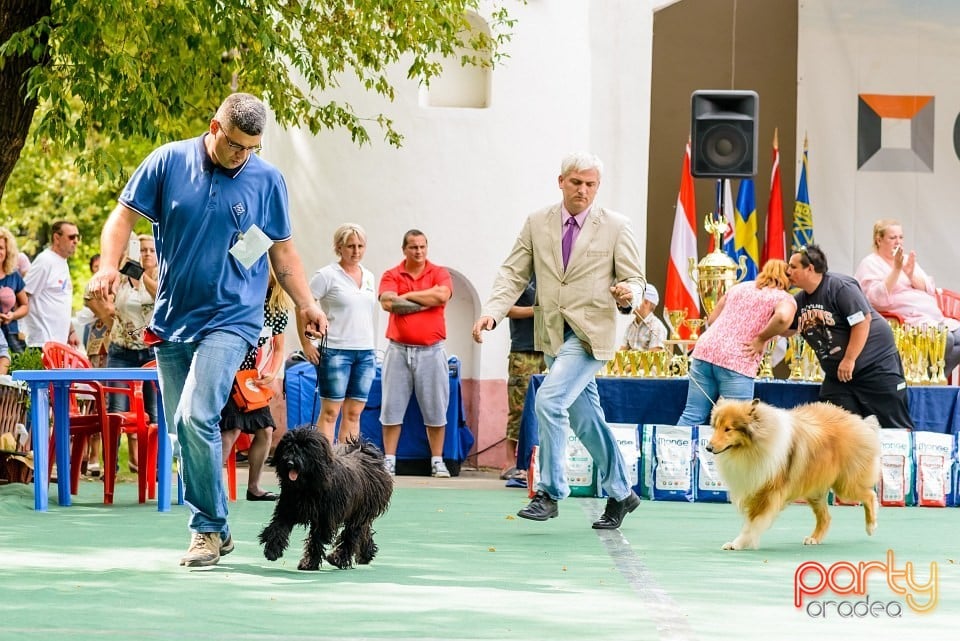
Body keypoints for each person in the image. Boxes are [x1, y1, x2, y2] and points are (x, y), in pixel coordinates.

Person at [87, 92, 327, 568]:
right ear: (215, 127)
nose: (242, 156)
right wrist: (110, 267)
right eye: (236, 145)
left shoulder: (267, 180)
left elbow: (282, 254)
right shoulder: (167, 161)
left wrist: (306, 304)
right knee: (182, 430)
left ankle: (205, 531)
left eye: (251, 149)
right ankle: (217, 522)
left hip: (233, 319)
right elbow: (121, 218)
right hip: (174, 319)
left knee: (196, 416)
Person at [472, 152, 646, 530]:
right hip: (551, 334)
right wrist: (493, 311)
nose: (583, 190)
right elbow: (512, 271)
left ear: (598, 186)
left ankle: (549, 492)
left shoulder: (617, 226)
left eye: (590, 184)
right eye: (576, 183)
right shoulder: (537, 222)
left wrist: (626, 294)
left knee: (549, 400)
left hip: (589, 337)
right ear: (561, 181)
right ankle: (621, 492)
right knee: (586, 421)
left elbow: (637, 280)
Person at [787, 244, 913, 429]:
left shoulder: (839, 286)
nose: (788, 271)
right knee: (835, 429)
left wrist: (849, 359)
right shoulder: (799, 300)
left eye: (793, 267)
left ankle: (899, 458)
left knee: (893, 427)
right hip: (839, 377)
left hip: (875, 367)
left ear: (810, 268)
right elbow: (785, 329)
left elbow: (862, 321)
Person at [675, 259, 796, 426]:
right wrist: (761, 339)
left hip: (704, 351)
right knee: (738, 422)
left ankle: (675, 451)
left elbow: (712, 319)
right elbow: (782, 318)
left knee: (692, 414)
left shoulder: (739, 287)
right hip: (737, 359)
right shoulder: (784, 297)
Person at [378, 229, 452, 479]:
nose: (418, 251)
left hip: (432, 351)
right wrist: (426, 301)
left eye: (422, 247)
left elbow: (442, 295)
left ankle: (437, 460)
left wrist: (407, 296)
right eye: (413, 247)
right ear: (404, 249)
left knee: (436, 408)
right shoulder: (392, 274)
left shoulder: (439, 273)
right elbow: (389, 302)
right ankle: (389, 460)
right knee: (391, 407)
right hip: (398, 350)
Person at [298, 223, 378, 445]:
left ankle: (348, 468)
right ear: (338, 247)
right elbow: (302, 306)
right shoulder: (326, 275)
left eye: (360, 246)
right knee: (331, 411)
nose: (356, 251)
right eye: (350, 246)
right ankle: (324, 464)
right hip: (335, 351)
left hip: (365, 352)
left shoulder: (369, 276)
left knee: (354, 413)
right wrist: (307, 344)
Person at [87, 235, 160, 474]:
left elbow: (162, 298)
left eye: (151, 250)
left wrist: (142, 277)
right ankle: (110, 469)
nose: (147, 254)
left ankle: (154, 468)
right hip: (120, 350)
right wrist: (108, 316)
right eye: (143, 250)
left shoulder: (162, 277)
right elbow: (90, 296)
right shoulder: (119, 279)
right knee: (115, 411)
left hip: (151, 352)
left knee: (153, 413)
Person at [854, 218, 960, 375]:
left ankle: (935, 378)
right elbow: (876, 299)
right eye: (892, 238)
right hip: (904, 323)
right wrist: (896, 270)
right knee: (947, 340)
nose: (898, 242)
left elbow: (929, 288)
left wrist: (911, 275)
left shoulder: (905, 260)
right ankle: (928, 377)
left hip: (932, 317)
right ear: (879, 239)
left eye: (901, 237)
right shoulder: (870, 263)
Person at [220, 266, 290, 501]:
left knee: (266, 430)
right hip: (229, 372)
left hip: (252, 378)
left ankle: (254, 487)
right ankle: (212, 488)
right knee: (230, 429)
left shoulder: (276, 307)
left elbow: (278, 348)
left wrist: (271, 371)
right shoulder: (240, 295)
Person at [499, 277, 545, 484]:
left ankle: (538, 463)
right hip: (524, 351)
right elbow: (506, 309)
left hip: (551, 350)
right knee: (519, 407)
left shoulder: (554, 275)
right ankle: (510, 462)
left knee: (547, 409)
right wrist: (538, 311)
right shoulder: (520, 278)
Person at [22, 220, 81, 350]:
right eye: (71, 237)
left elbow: (59, 302)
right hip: (41, 343)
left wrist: (71, 331)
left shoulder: (62, 262)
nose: (76, 241)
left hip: (58, 344)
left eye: (78, 237)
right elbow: (23, 294)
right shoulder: (45, 261)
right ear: (56, 237)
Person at [0, 227, 29, 354]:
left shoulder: (13, 275)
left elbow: (25, 305)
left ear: (7, 251)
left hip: (12, 334)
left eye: (0, 248)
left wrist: (13, 315)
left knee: (19, 369)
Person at [620, 283, 668, 351]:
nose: (631, 302)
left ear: (646, 302)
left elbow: (654, 359)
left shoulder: (657, 327)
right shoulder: (630, 326)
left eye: (636, 298)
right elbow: (621, 354)